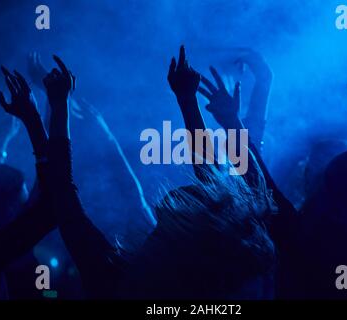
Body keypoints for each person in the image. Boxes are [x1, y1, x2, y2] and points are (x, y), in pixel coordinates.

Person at [45, 48, 276, 299]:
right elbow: (217, 186)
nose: (158, 216)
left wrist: (56, 108)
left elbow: (64, 197)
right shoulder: (228, 272)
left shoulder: (114, 281)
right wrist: (190, 102)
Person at [0, 66, 55, 299]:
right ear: (12, 209)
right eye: (24, 193)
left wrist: (0, 145)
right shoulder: (30, 281)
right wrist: (52, 104)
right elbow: (52, 191)